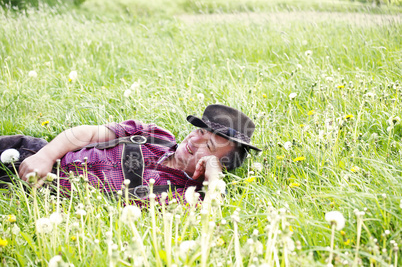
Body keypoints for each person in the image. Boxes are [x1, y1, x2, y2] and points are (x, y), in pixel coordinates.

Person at [0, 104, 261, 204]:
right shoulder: (155, 135)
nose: (194, 138)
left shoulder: (185, 196)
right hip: (31, 154)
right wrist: (46, 155)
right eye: (200, 131)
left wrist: (214, 177)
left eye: (210, 146)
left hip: (47, 197)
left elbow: (217, 215)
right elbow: (88, 133)